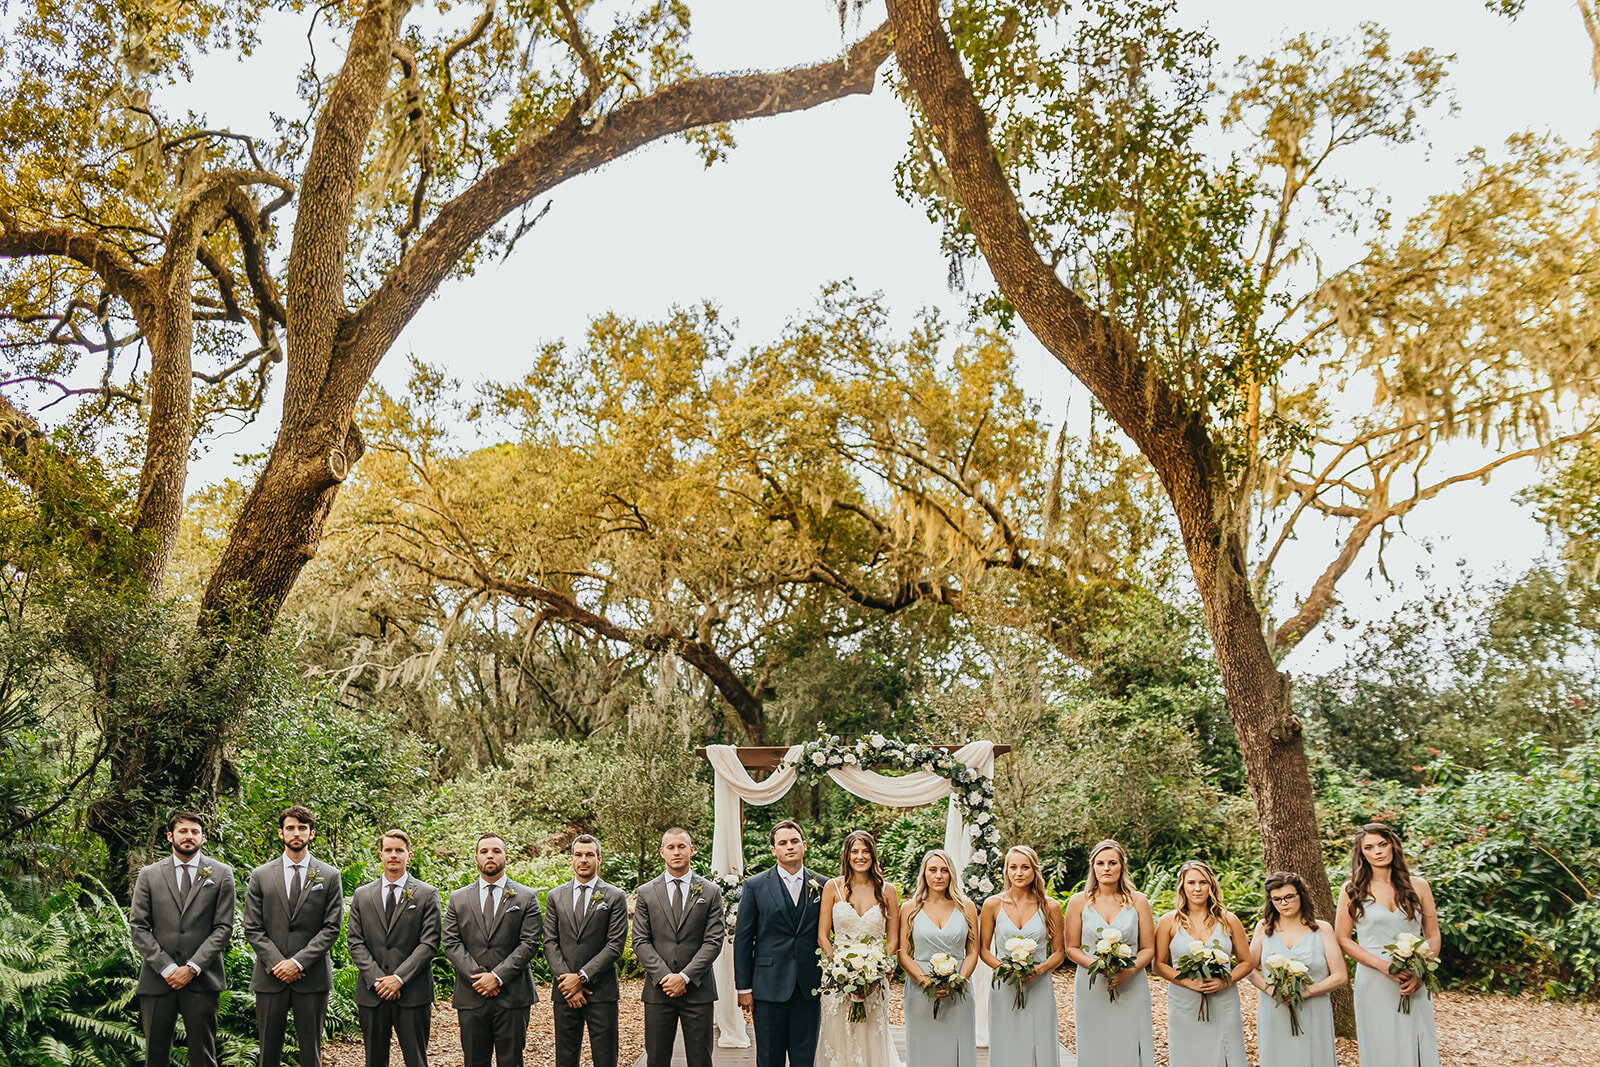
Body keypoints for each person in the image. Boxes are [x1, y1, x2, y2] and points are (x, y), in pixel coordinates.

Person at [128, 812, 235, 1067]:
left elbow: (223, 928)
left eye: (195, 832)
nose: (189, 836)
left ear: (203, 838)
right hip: (157, 980)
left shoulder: (221, 874)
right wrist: (167, 968)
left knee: (203, 1056)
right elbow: (138, 926)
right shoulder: (149, 874)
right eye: (183, 831)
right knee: (155, 1057)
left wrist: (193, 967)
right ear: (170, 836)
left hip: (203, 980)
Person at [243, 805, 345, 1067]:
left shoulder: (330, 876)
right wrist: (279, 963)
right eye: (290, 828)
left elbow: (331, 927)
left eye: (302, 828)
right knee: (268, 1052)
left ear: (311, 833)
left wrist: (298, 963)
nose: (296, 833)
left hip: (312, 977)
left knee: (311, 1052)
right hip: (270, 976)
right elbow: (252, 926)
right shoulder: (261, 875)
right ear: (281, 833)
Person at [1335, 823, 1442, 1067]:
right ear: (1362, 854)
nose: (1377, 851)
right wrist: (1382, 966)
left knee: (1416, 1037)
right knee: (1380, 1042)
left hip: (1414, 977)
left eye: (1382, 844)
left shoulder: (1419, 886)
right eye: (1369, 848)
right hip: (1373, 978)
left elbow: (1433, 935)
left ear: (1393, 845)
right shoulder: (1352, 890)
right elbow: (1343, 938)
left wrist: (1421, 972)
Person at [442, 832, 544, 1067]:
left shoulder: (526, 897)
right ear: (476, 858)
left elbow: (530, 943)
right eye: (484, 851)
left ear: (506, 858)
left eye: (496, 851)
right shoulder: (458, 898)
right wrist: (480, 977)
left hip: (513, 994)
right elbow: (451, 942)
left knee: (511, 1061)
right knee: (474, 1061)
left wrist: (497, 977)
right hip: (471, 993)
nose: (490, 855)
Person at [345, 829, 442, 1067]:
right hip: (373, 992)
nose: (393, 855)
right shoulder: (362, 895)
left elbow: (429, 942)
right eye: (388, 850)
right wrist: (378, 980)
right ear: (380, 855)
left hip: (413, 991)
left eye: (399, 850)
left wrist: (399, 979)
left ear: (409, 855)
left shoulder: (426, 894)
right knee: (374, 1061)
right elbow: (355, 941)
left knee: (416, 1060)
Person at [632, 827, 726, 1067]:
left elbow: (714, 940)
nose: (676, 852)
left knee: (700, 1060)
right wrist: (666, 977)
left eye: (681, 846)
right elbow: (640, 940)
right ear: (662, 852)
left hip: (698, 989)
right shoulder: (646, 892)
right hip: (658, 990)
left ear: (691, 850)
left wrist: (684, 977)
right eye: (671, 847)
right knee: (657, 1059)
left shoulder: (710, 891)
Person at [734, 819, 824, 1067]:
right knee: (768, 1058)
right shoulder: (755, 885)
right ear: (774, 850)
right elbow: (743, 939)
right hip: (768, 987)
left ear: (804, 845)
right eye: (783, 843)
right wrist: (743, 988)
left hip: (809, 986)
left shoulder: (824, 885)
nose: (790, 846)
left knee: (804, 1059)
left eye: (794, 841)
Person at [1064, 839, 1154, 1067]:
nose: (1106, 868)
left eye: (1112, 863)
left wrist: (1128, 972)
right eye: (1100, 863)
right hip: (1092, 983)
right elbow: (1071, 948)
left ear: (1122, 866)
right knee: (1095, 1041)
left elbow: (1148, 948)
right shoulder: (1078, 901)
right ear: (1093, 867)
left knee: (1130, 1041)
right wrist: (1098, 967)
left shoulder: (1139, 901)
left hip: (1132, 983)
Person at [816, 830, 903, 1067]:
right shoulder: (832, 887)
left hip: (875, 978)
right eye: (854, 851)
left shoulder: (888, 890)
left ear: (873, 855)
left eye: (865, 851)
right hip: (837, 977)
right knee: (838, 1036)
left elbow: (893, 939)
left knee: (871, 1035)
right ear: (847, 855)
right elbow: (823, 936)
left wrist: (877, 970)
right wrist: (839, 970)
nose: (860, 856)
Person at [1153, 860, 1251, 1067]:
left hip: (1224, 1000)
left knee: (1227, 1054)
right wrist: (1187, 982)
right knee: (1188, 1056)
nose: (1197, 888)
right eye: (1191, 883)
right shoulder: (1168, 922)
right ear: (1182, 886)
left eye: (1203, 882)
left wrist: (1225, 981)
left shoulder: (1229, 920)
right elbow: (1159, 964)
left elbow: (1246, 962)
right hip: (1184, 1001)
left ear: (1211, 885)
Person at [543, 834, 629, 1067]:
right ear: (571, 859)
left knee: (605, 1058)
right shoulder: (555, 896)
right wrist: (567, 981)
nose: (584, 859)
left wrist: (581, 977)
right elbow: (550, 942)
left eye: (589, 855)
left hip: (602, 991)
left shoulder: (615, 896)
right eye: (579, 855)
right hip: (564, 992)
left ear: (599, 859)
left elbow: (615, 944)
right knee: (565, 1058)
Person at [1247, 871, 1343, 1067]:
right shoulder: (1263, 928)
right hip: (1275, 1008)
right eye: (1277, 899)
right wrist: (1272, 991)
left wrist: (1307, 991)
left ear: (1301, 895)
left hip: (1314, 1008)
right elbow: (1249, 968)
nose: (1283, 903)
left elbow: (1340, 976)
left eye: (1289, 897)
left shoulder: (1322, 929)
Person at [980, 845, 1064, 1067]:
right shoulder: (992, 904)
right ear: (1006, 870)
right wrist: (1004, 969)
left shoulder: (1050, 906)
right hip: (1004, 985)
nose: (1019, 873)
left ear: (1034, 870)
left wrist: (1039, 970)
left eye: (1025, 867)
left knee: (1039, 1040)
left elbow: (1059, 952)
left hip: (1039, 985)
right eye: (1013, 867)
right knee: (1007, 1041)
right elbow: (983, 949)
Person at [898, 849, 979, 1067]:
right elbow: (903, 954)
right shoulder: (910, 908)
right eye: (932, 870)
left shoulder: (966, 907)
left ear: (951, 873)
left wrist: (958, 982)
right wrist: (925, 982)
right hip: (920, 989)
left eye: (944, 870)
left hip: (959, 988)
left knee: (957, 1047)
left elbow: (973, 952)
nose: (938, 876)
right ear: (924, 873)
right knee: (924, 1049)